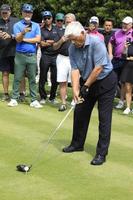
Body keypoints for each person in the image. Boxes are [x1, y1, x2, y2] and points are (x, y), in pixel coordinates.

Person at [62, 21, 117, 166]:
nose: (73, 42)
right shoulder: (72, 48)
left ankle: (101, 153)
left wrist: (85, 86)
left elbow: (99, 68)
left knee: (104, 118)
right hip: (88, 81)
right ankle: (77, 144)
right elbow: (74, 70)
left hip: (106, 82)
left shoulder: (97, 42)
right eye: (71, 40)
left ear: (82, 32)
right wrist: (75, 89)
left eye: (75, 38)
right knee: (80, 112)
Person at [8, 3, 42, 108]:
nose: (28, 14)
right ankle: (14, 98)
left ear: (32, 14)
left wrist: (24, 39)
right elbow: (18, 39)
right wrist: (23, 32)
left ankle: (33, 100)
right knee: (18, 77)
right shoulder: (17, 25)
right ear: (22, 13)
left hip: (31, 55)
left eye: (29, 12)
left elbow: (38, 39)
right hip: (20, 55)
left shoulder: (36, 25)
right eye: (26, 12)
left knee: (32, 78)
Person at [0, 4, 25, 101]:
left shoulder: (16, 21)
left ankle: (21, 93)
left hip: (16, 51)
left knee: (20, 73)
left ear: (10, 12)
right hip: (3, 52)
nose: (5, 14)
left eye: (6, 12)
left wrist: (11, 35)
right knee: (5, 73)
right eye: (3, 12)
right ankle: (6, 94)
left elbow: (21, 34)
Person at [108, 16, 132, 109]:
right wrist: (110, 54)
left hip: (127, 61)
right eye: (123, 24)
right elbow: (110, 43)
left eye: (126, 24)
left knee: (124, 83)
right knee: (112, 80)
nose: (124, 25)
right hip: (116, 59)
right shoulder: (117, 32)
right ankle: (109, 100)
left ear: (131, 25)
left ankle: (121, 102)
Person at [53, 13, 76, 111]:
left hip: (74, 59)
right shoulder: (60, 31)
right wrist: (61, 40)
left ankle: (75, 102)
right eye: (67, 22)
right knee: (62, 81)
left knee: (75, 82)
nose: (68, 24)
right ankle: (63, 103)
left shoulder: (78, 32)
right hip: (62, 58)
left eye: (70, 22)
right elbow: (54, 47)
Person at [39, 11, 58, 104]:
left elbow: (57, 42)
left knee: (55, 78)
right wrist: (50, 42)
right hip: (45, 56)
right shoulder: (41, 30)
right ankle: (42, 97)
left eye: (48, 18)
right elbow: (41, 44)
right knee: (42, 77)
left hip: (55, 56)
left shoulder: (56, 29)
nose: (47, 20)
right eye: (45, 18)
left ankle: (52, 97)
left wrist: (47, 41)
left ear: (52, 18)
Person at [120, 33, 133, 114]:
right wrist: (125, 48)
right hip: (128, 66)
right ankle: (128, 107)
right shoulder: (129, 43)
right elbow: (123, 55)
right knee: (128, 87)